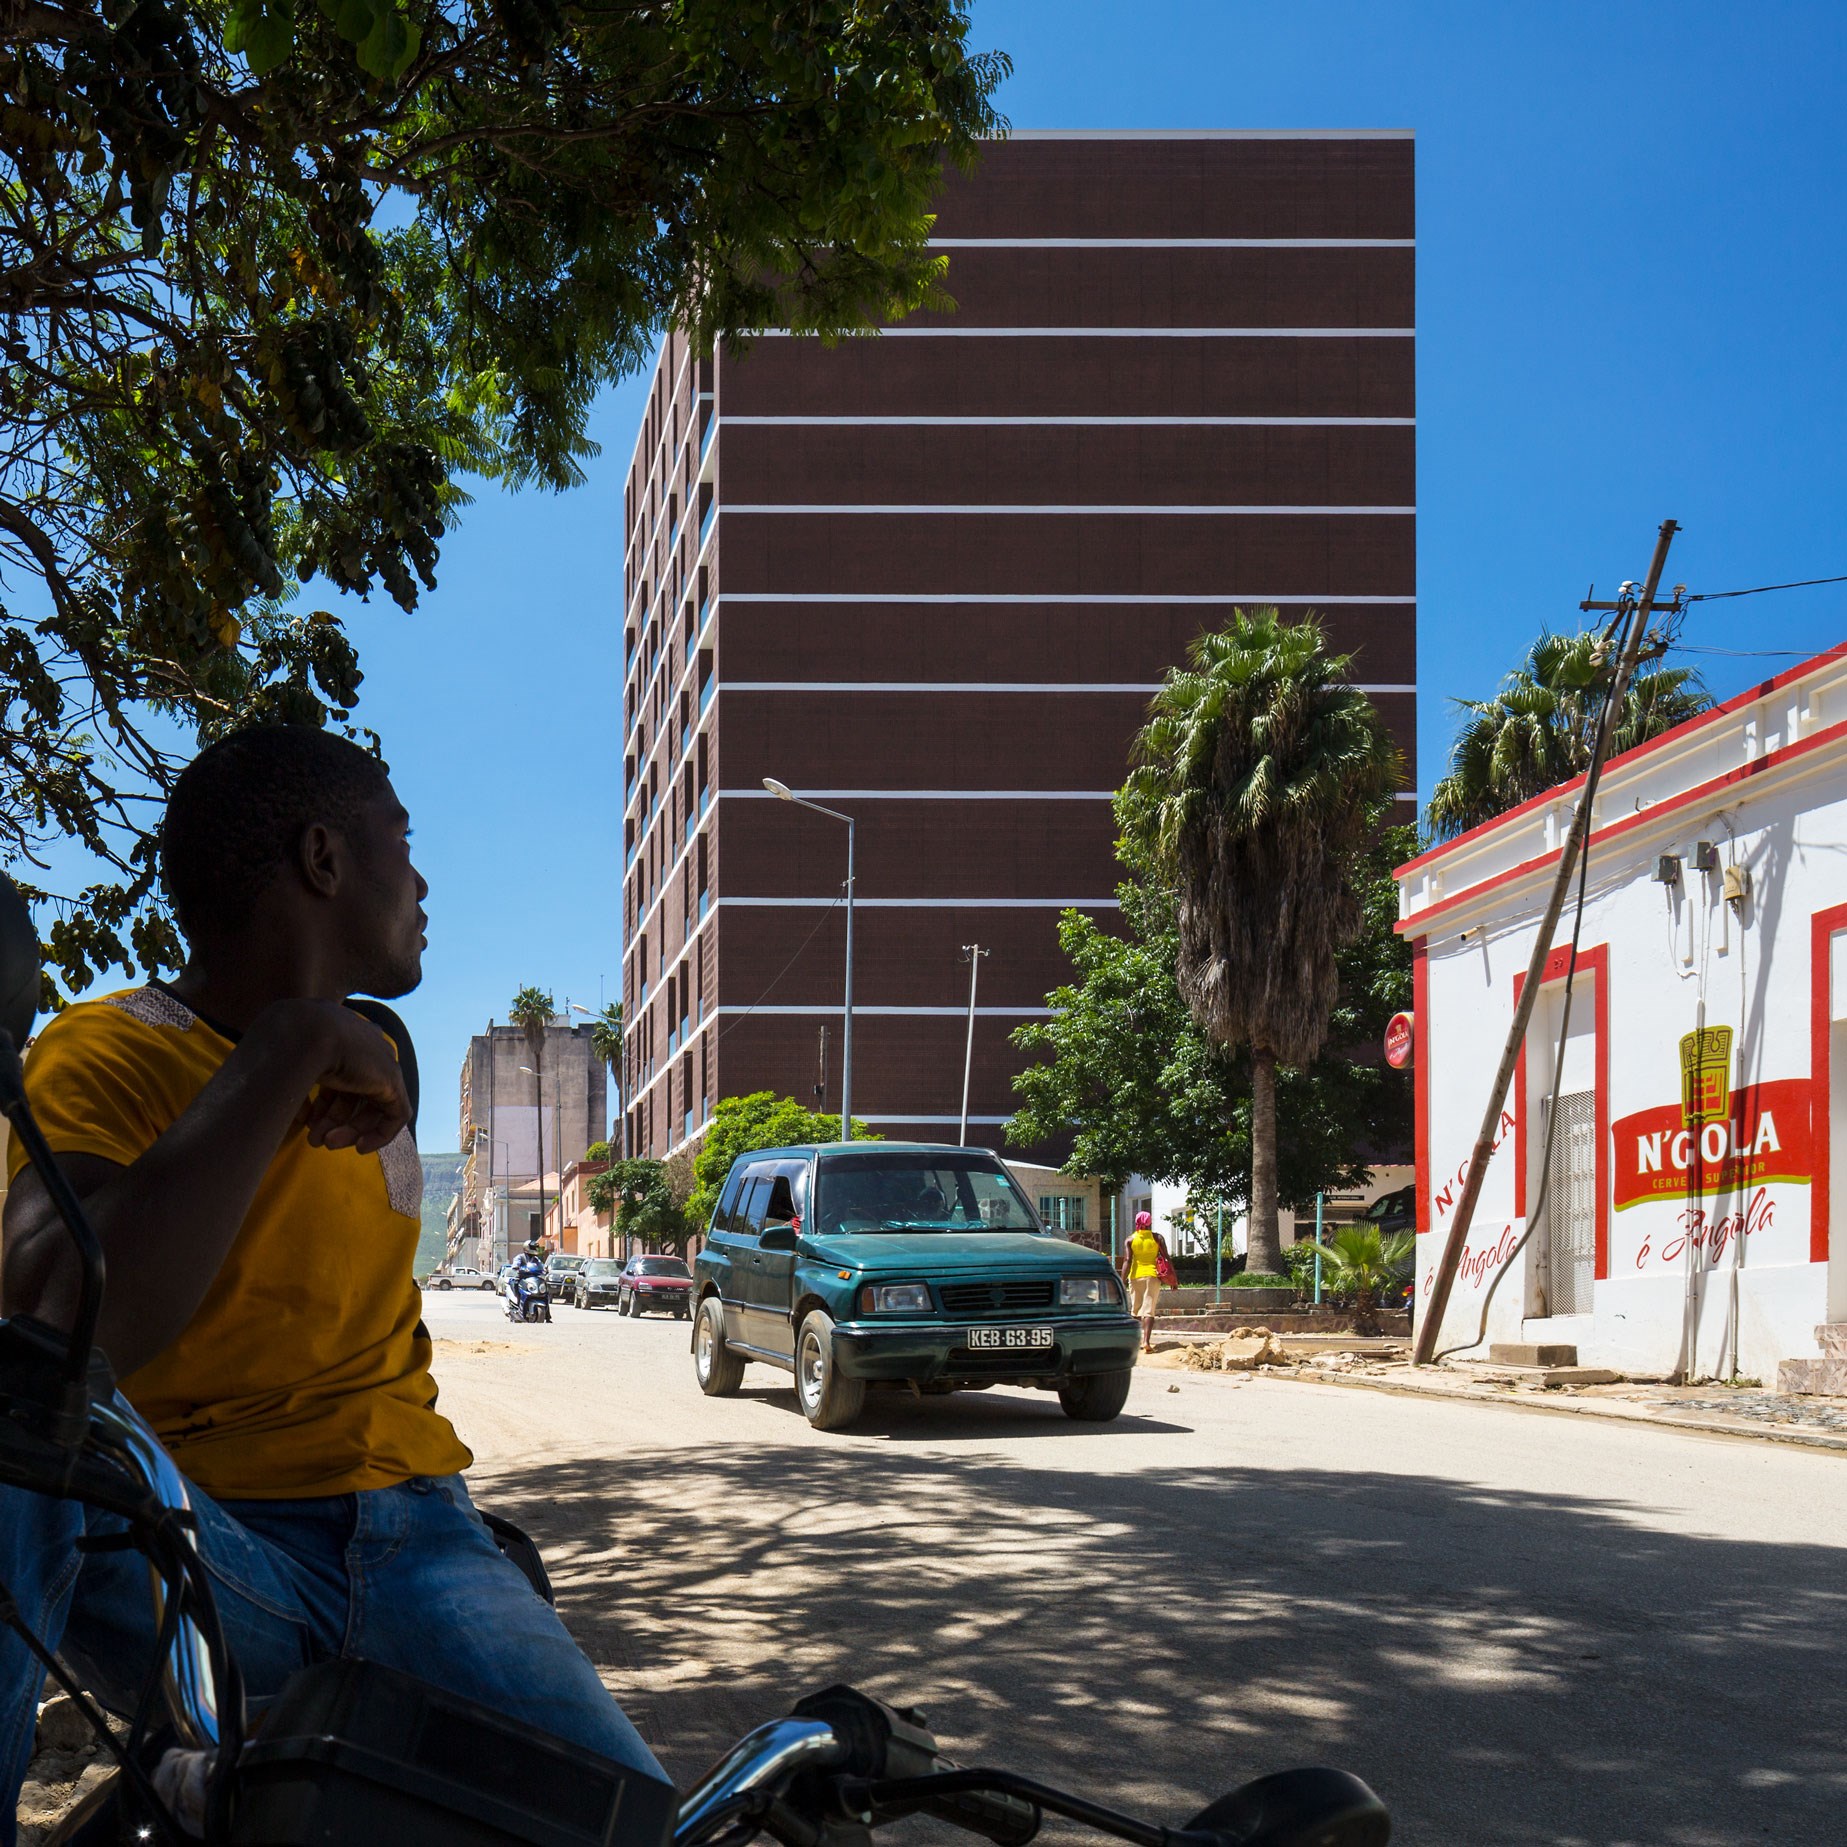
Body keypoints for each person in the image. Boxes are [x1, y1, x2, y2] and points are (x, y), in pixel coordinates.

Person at [0, 728, 660, 1813]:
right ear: (323, 858)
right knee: (11, 1444)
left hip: (420, 1540)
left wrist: (329, 1040)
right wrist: (286, 1047)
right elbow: (56, 1323)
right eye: (401, 840)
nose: (423, 878)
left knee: (625, 1819)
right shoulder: (106, 1050)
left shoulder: (380, 1067)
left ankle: (213, 1779)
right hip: (198, 1547)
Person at [1119, 1210, 1169, 1355]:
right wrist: (1173, 1279)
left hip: (1135, 1277)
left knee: (1136, 1310)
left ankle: (1134, 1341)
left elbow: (1127, 1261)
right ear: (1149, 1222)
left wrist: (1121, 1281)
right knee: (1149, 1310)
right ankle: (1146, 1341)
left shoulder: (1130, 1239)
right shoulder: (1157, 1238)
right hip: (1152, 1276)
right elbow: (1166, 1258)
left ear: (1137, 1222)